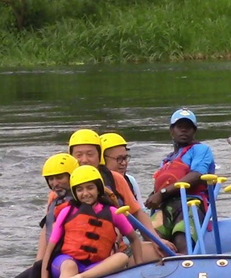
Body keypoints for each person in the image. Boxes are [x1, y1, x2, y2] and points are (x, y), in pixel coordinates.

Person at [35, 165, 143, 278]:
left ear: (99, 189)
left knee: (121, 257)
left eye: (90, 188)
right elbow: (50, 251)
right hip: (66, 263)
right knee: (70, 266)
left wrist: (139, 268)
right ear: (75, 192)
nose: (85, 193)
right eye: (79, 190)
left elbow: (134, 239)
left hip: (94, 267)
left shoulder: (113, 213)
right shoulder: (66, 212)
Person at [68, 128, 175, 259]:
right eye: (78, 155)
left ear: (99, 155)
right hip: (77, 252)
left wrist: (156, 240)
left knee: (166, 255)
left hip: (117, 249)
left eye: (90, 154)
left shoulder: (115, 178)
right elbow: (51, 228)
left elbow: (137, 213)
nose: (84, 160)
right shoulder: (63, 185)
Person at [144, 109, 215, 254]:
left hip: (191, 203)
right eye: (179, 126)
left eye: (188, 127)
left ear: (194, 131)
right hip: (167, 206)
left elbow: (196, 175)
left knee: (181, 240)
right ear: (172, 131)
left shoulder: (201, 150)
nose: (184, 130)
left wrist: (162, 193)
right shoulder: (167, 160)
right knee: (149, 238)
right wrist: (153, 197)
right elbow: (160, 187)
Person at [100, 132, 146, 211]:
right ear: (102, 159)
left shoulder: (131, 180)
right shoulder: (93, 185)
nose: (124, 163)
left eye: (125, 158)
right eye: (119, 159)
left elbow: (141, 211)